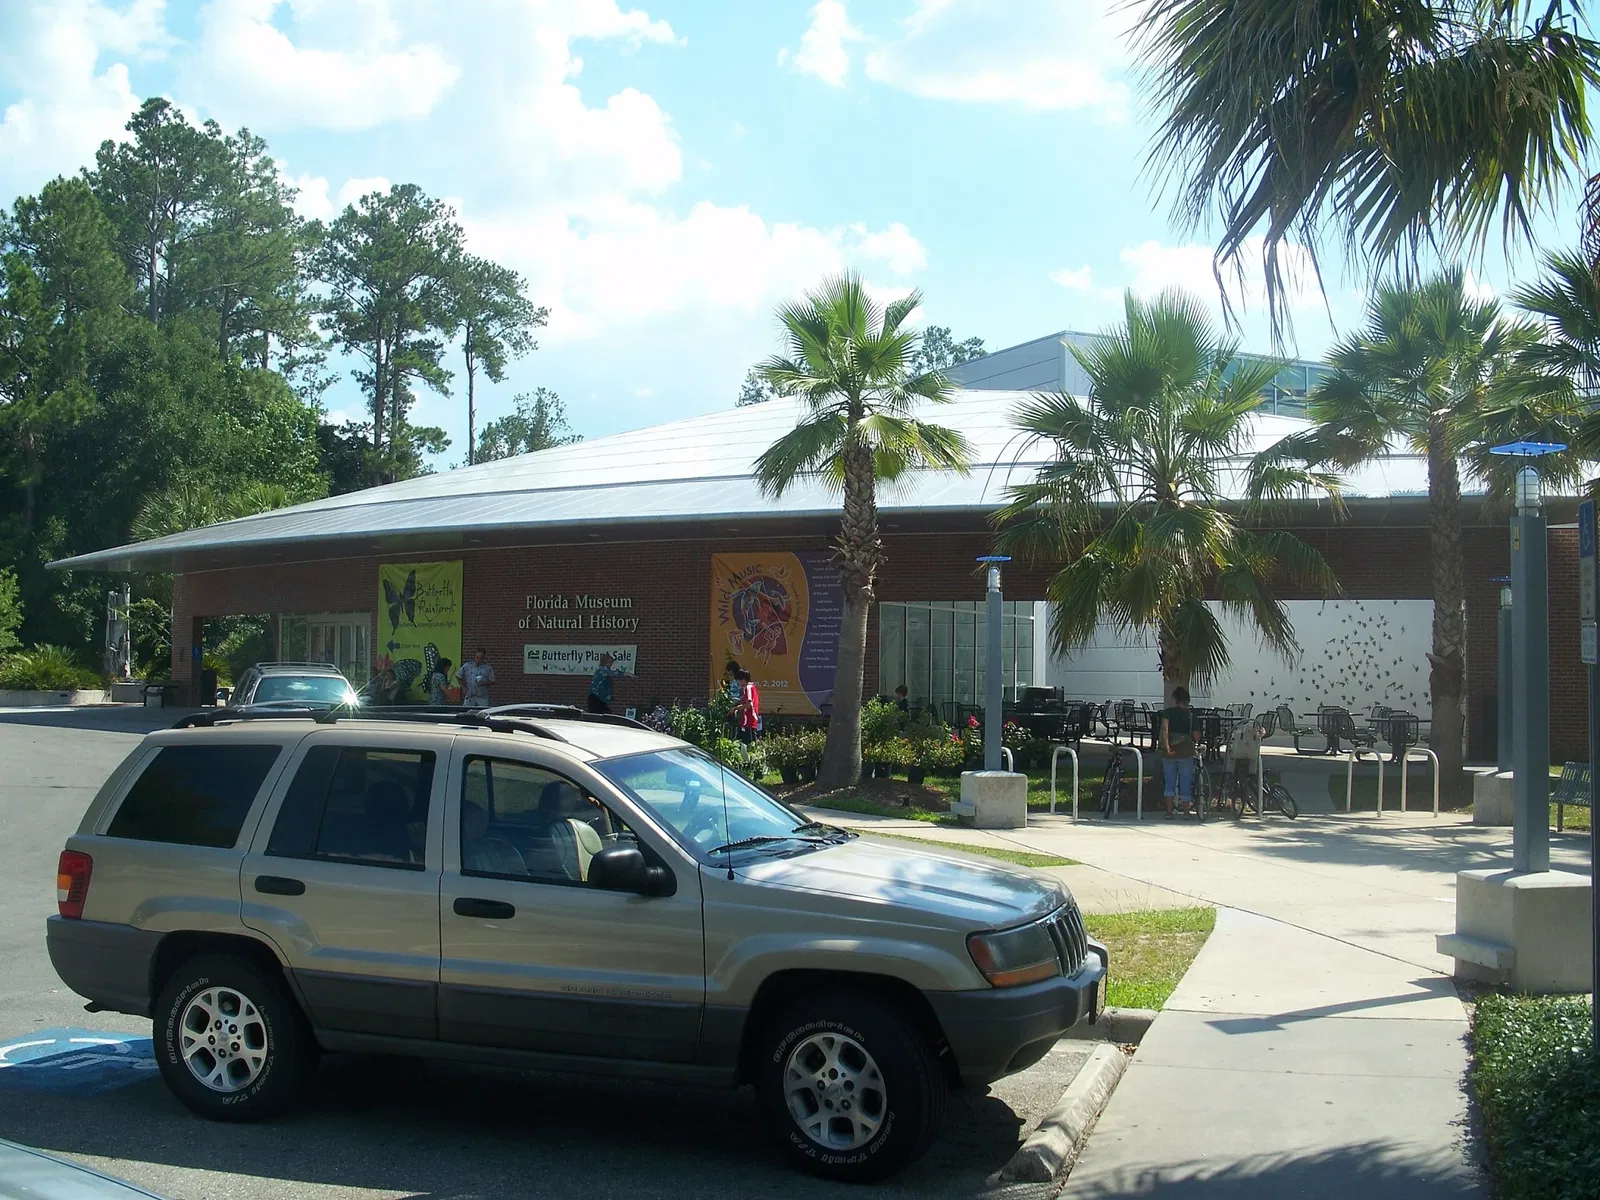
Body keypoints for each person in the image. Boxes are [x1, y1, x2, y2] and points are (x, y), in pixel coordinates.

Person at [1159, 686, 1197, 819]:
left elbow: (1164, 728)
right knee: (1185, 781)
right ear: (1187, 700)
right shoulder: (1191, 716)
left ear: (1175, 699)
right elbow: (1196, 736)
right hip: (1186, 752)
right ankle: (1186, 812)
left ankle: (1169, 812)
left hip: (1168, 753)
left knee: (1169, 782)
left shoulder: (1168, 712)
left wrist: (1167, 746)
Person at [735, 668, 761, 744]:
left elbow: (749, 704)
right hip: (747, 722)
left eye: (739, 680)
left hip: (749, 721)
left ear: (743, 679)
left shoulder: (748, 688)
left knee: (747, 744)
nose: (739, 682)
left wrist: (736, 708)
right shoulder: (750, 688)